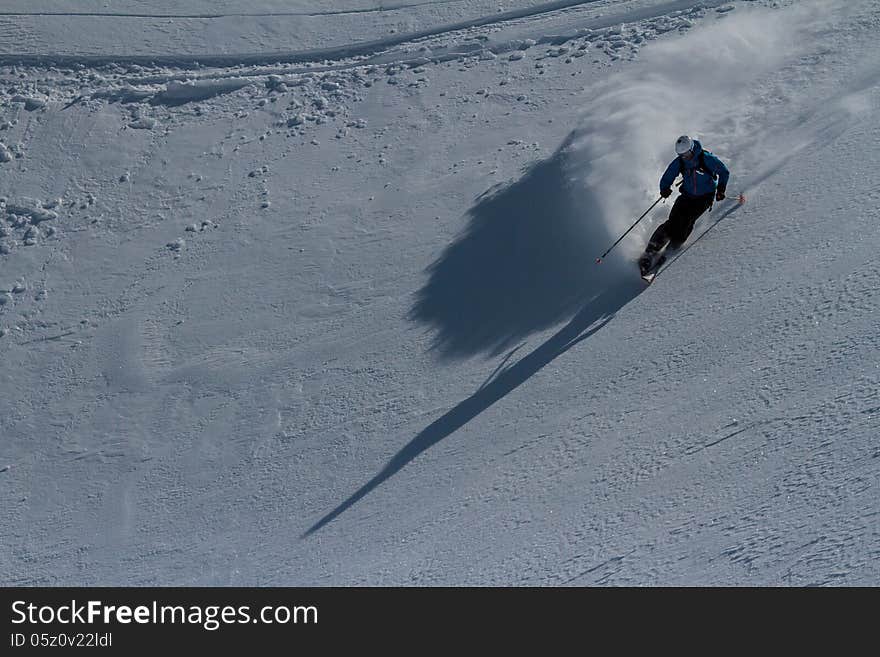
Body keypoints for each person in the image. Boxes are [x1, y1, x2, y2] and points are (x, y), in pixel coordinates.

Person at [639, 135, 730, 276]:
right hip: (687, 195)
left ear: (692, 149)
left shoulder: (706, 159)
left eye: (687, 154)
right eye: (681, 155)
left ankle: (673, 246)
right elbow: (668, 175)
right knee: (673, 221)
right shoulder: (680, 162)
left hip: (704, 197)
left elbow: (724, 172)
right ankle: (650, 251)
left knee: (687, 221)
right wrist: (664, 188)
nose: (685, 157)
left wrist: (721, 189)